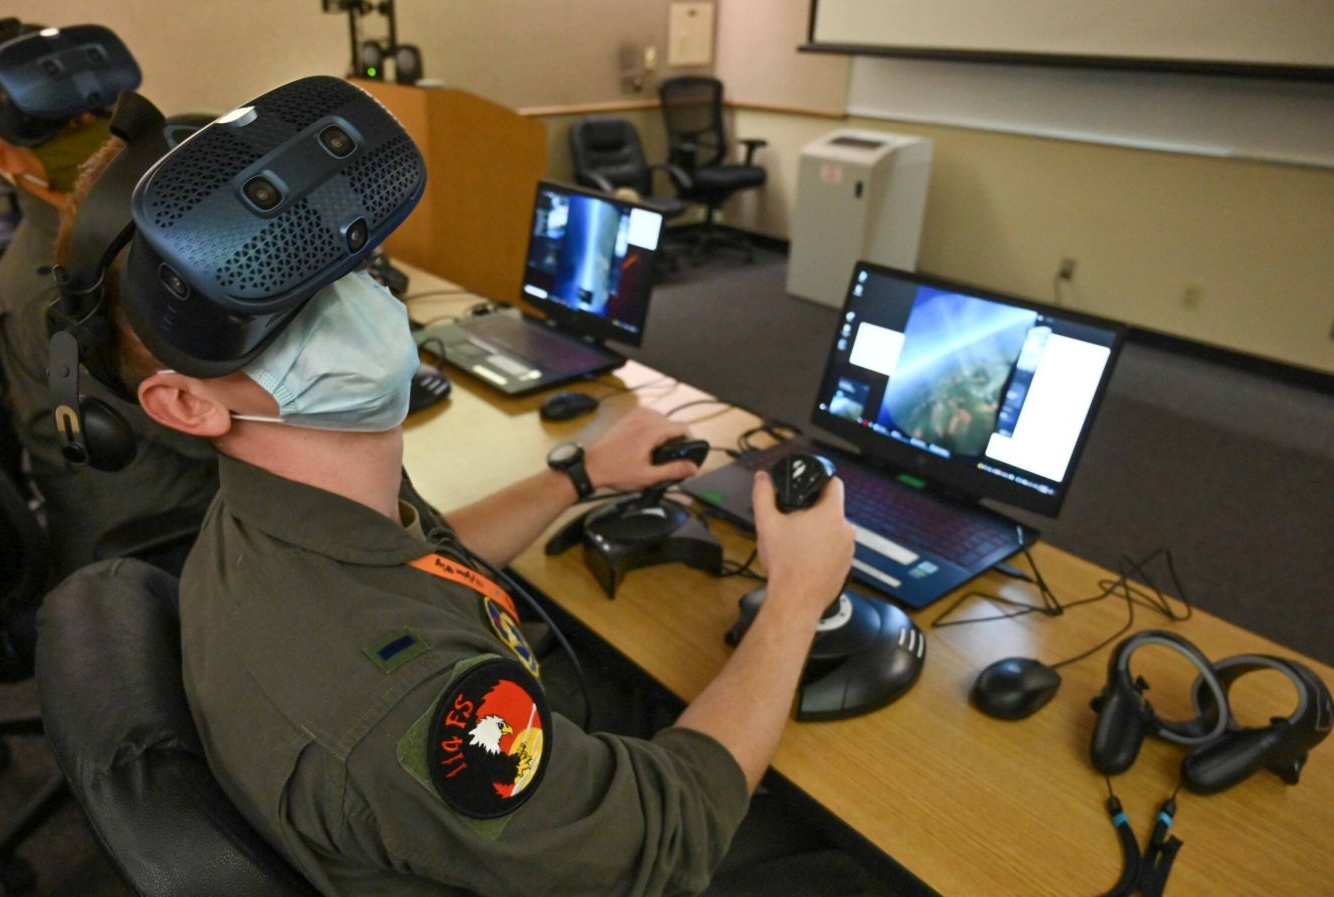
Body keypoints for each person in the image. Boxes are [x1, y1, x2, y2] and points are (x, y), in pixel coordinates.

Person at [56, 87, 866, 896]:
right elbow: (661, 840)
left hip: (475, 807)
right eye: (284, 308)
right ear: (188, 402)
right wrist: (796, 594)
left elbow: (423, 558)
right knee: (854, 857)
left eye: (344, 262)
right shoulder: (407, 706)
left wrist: (580, 476)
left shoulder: (290, 498)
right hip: (600, 855)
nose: (357, 302)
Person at [0, 20, 218, 574]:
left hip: (164, 476)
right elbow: (204, 428)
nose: (90, 130)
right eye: (60, 127)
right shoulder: (63, 290)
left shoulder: (105, 233)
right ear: (0, 153)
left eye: (95, 115)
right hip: (156, 528)